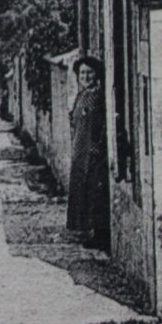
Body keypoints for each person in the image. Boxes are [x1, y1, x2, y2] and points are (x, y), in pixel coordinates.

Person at [67, 55, 109, 247]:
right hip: (80, 150)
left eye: (89, 73)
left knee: (94, 193)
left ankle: (98, 235)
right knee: (81, 190)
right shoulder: (82, 95)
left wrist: (97, 147)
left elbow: (101, 125)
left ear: (97, 74)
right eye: (82, 73)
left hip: (92, 152)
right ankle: (85, 231)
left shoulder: (98, 96)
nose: (86, 76)